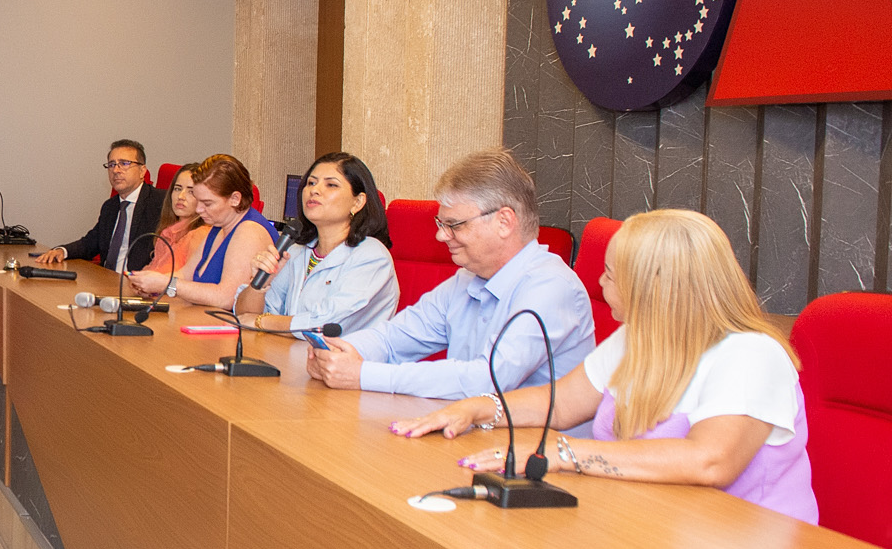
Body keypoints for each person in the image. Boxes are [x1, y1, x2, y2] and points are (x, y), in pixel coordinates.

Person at [392, 210, 816, 523]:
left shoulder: (752, 355)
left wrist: (563, 453)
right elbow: (561, 404)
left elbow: (709, 461)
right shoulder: (638, 336)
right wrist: (477, 408)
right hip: (648, 528)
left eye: (611, 275)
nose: (599, 283)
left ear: (654, 287)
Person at [308, 149, 593, 399]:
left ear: (504, 221)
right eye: (441, 223)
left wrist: (362, 374)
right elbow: (393, 338)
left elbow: (488, 380)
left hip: (533, 441)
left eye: (454, 225)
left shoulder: (551, 286)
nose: (441, 236)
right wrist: (339, 352)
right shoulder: (467, 280)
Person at [233, 152, 398, 335]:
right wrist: (259, 285)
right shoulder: (296, 251)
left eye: (331, 185)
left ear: (357, 202)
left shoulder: (372, 256)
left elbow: (325, 325)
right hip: (291, 350)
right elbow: (244, 316)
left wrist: (262, 322)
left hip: (345, 354)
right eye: (311, 183)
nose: (314, 190)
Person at [131, 154, 275, 310]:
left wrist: (166, 284)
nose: (199, 209)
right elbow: (186, 274)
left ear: (235, 199)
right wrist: (150, 283)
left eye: (207, 203)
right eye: (198, 200)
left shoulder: (250, 232)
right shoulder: (218, 226)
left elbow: (227, 298)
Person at [33, 139, 164, 272]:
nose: (116, 170)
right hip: (106, 278)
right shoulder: (110, 206)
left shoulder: (161, 203)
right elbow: (90, 243)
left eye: (124, 163)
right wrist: (62, 251)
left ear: (142, 171)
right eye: (112, 164)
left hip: (137, 281)